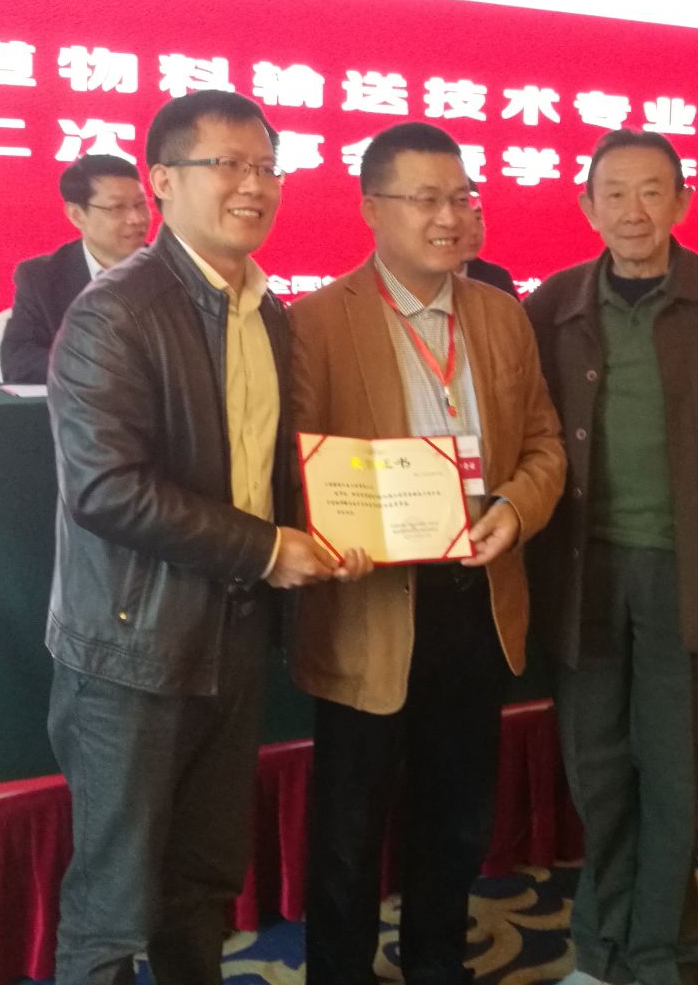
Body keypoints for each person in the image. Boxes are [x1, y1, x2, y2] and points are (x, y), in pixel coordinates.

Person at [44, 91, 368, 985]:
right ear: (162, 181)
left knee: (203, 879)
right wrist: (266, 550)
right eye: (227, 164)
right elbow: (106, 489)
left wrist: (334, 528)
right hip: (131, 647)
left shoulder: (266, 310)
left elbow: (260, 471)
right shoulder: (117, 311)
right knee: (112, 906)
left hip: (231, 634)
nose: (253, 186)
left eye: (266, 167)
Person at [287, 121, 566, 985]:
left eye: (462, 198)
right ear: (372, 208)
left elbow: (546, 444)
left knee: (455, 812)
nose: (450, 217)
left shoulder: (501, 314)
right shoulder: (315, 323)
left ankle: (436, 961)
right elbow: (290, 467)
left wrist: (515, 510)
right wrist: (333, 532)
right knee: (351, 823)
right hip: (370, 604)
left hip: (478, 595)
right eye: (426, 199)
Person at [525, 129, 698, 985]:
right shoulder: (552, 304)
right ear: (586, 206)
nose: (632, 210)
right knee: (597, 770)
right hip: (582, 575)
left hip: (690, 570)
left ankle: (654, 959)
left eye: (651, 191)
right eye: (614, 192)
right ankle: (618, 950)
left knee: (672, 772)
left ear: (682, 201)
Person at [0, 153, 151, 384]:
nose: (136, 218)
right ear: (77, 215)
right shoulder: (42, 278)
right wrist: (100, 365)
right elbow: (18, 361)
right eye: (117, 207)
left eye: (141, 204)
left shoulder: (177, 271)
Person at [460, 196, 519, 299]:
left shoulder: (497, 279)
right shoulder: (429, 280)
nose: (474, 231)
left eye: (478, 218)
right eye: (462, 221)